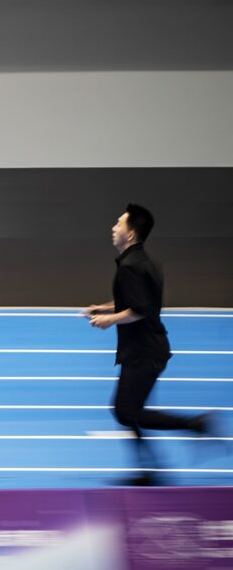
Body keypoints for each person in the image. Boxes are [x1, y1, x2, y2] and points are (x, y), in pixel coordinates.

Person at [83, 203, 215, 486]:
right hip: (148, 348)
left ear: (131, 234)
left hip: (144, 351)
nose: (113, 228)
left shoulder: (130, 267)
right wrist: (105, 308)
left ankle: (193, 426)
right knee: (127, 410)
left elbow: (139, 309)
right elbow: (136, 301)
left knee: (127, 411)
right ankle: (150, 468)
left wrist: (110, 320)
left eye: (119, 224)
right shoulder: (144, 262)